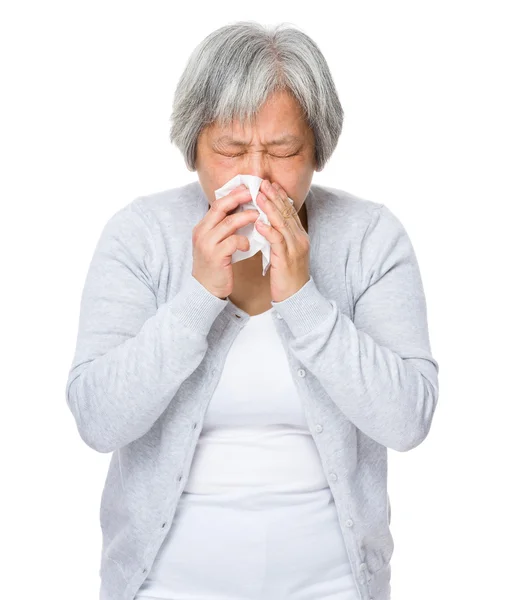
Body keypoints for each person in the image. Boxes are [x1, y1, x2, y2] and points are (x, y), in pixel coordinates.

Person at [65, 21, 439, 600]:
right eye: (231, 151)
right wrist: (196, 300)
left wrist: (305, 304)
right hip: (163, 585)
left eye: (284, 151)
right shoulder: (139, 236)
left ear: (318, 151)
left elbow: (408, 420)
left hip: (336, 586)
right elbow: (97, 419)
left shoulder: (371, 239)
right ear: (193, 149)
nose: (257, 176)